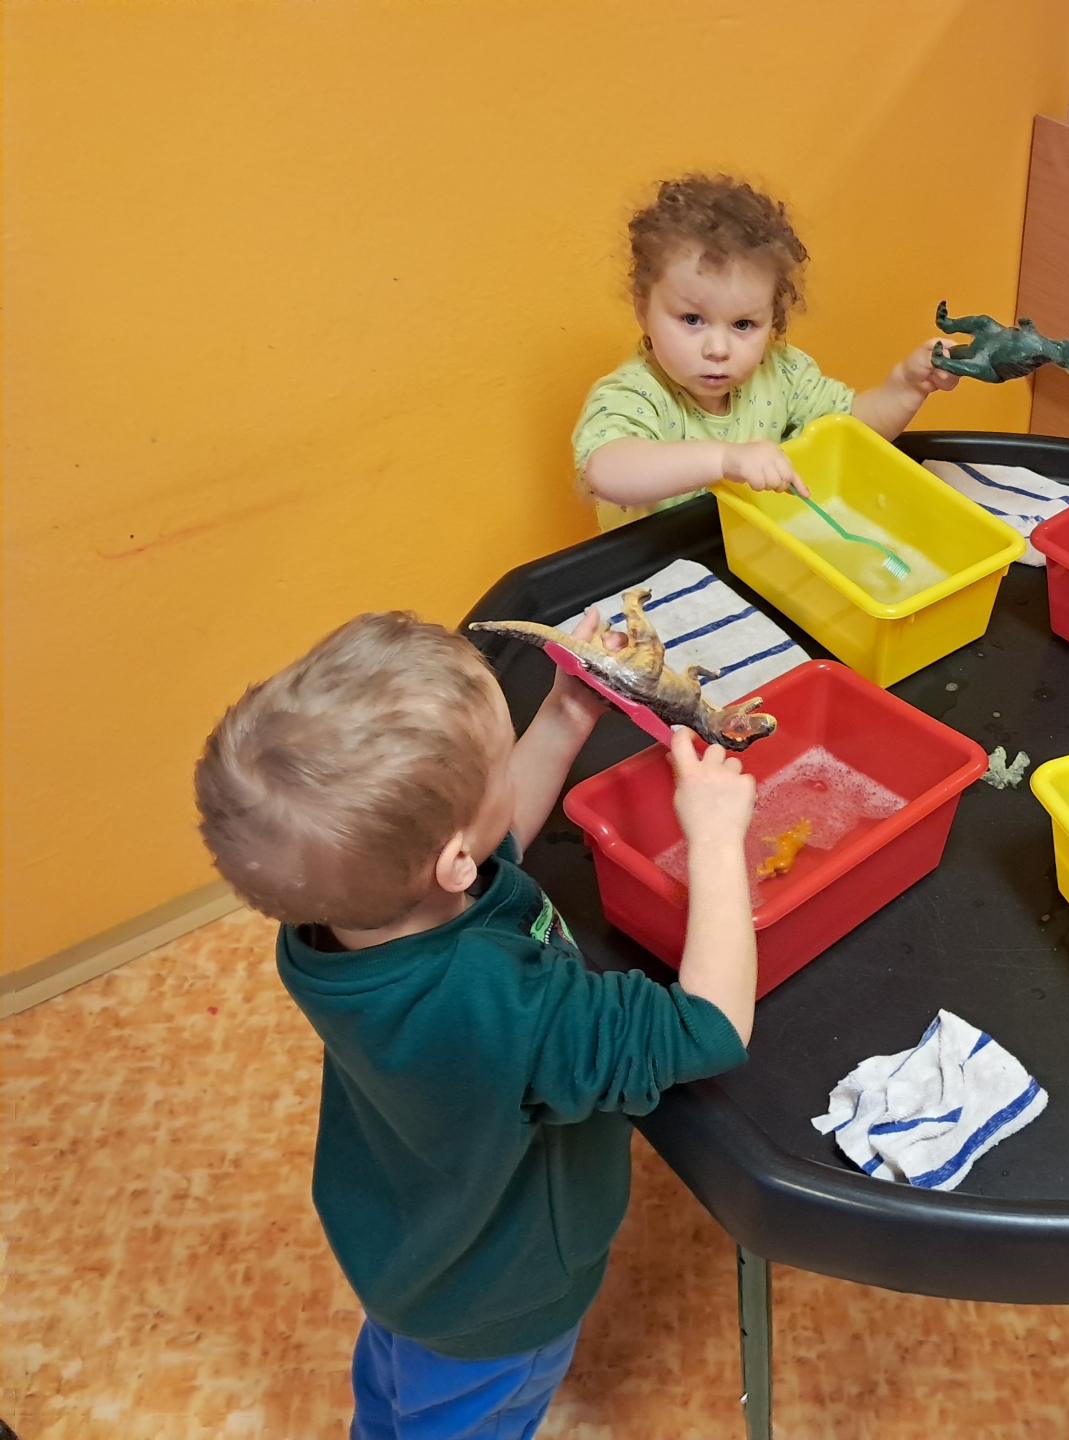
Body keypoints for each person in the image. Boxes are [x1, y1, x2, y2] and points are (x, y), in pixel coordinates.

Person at [194, 610, 759, 1439]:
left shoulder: (330, 928)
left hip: (407, 1249)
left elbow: (486, 849)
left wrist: (564, 714)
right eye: (499, 767)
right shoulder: (502, 1007)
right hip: (500, 1298)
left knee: (397, 1396)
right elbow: (708, 1028)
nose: (507, 776)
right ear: (454, 861)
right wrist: (715, 840)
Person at [575, 173, 959, 530]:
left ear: (771, 319)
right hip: (659, 566)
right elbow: (607, 470)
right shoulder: (634, 394)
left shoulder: (781, 373)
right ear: (643, 310)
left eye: (743, 325)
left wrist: (907, 386)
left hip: (755, 551)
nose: (718, 349)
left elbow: (851, 430)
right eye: (692, 319)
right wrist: (724, 459)